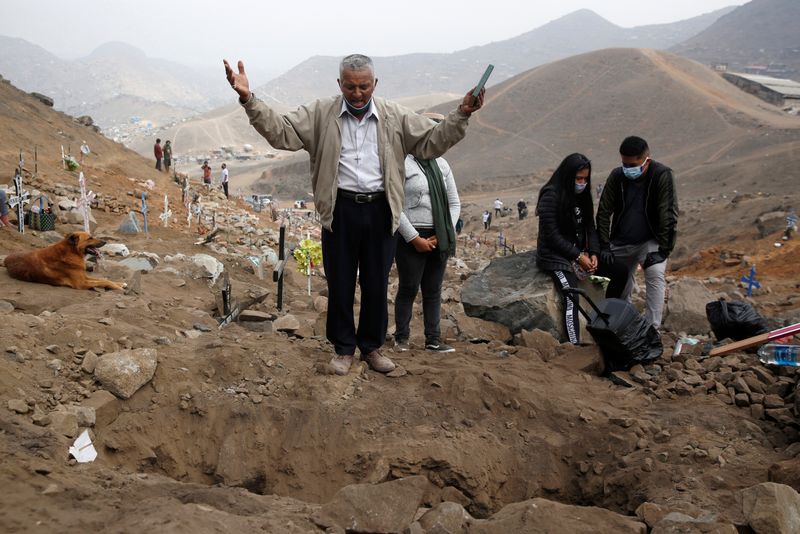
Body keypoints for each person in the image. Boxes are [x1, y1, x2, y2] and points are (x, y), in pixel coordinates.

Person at [224, 53, 484, 375]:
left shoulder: (394, 116)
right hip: (340, 210)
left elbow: (431, 142)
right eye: (350, 86)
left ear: (375, 83)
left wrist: (461, 114)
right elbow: (282, 133)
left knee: (376, 284)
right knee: (341, 283)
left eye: (364, 86)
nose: (357, 93)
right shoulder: (321, 113)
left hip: (380, 210)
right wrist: (249, 99)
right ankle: (344, 349)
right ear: (339, 84)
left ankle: (372, 348)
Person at [536, 153, 630, 345]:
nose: (582, 183)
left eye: (585, 179)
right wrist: (578, 256)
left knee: (620, 271)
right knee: (572, 295)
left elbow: (589, 226)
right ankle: (573, 345)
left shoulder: (582, 196)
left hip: (580, 252)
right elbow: (552, 236)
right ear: (568, 176)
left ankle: (607, 322)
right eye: (578, 179)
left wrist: (594, 253)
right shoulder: (551, 196)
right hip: (555, 256)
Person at [596, 136, 678, 329]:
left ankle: (651, 328)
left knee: (655, 273)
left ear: (646, 160)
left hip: (649, 241)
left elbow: (668, 213)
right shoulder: (617, 176)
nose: (628, 169)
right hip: (621, 240)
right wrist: (604, 245)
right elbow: (604, 212)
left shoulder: (661, 175)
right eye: (624, 163)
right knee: (619, 280)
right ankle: (621, 323)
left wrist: (664, 251)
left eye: (632, 164)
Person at [394, 113, 460, 354]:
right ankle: (401, 338)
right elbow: (395, 205)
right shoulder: (403, 163)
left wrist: (445, 233)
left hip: (440, 233)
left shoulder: (442, 165)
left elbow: (454, 203)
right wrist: (414, 238)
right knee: (408, 288)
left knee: (433, 290)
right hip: (411, 235)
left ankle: (433, 339)